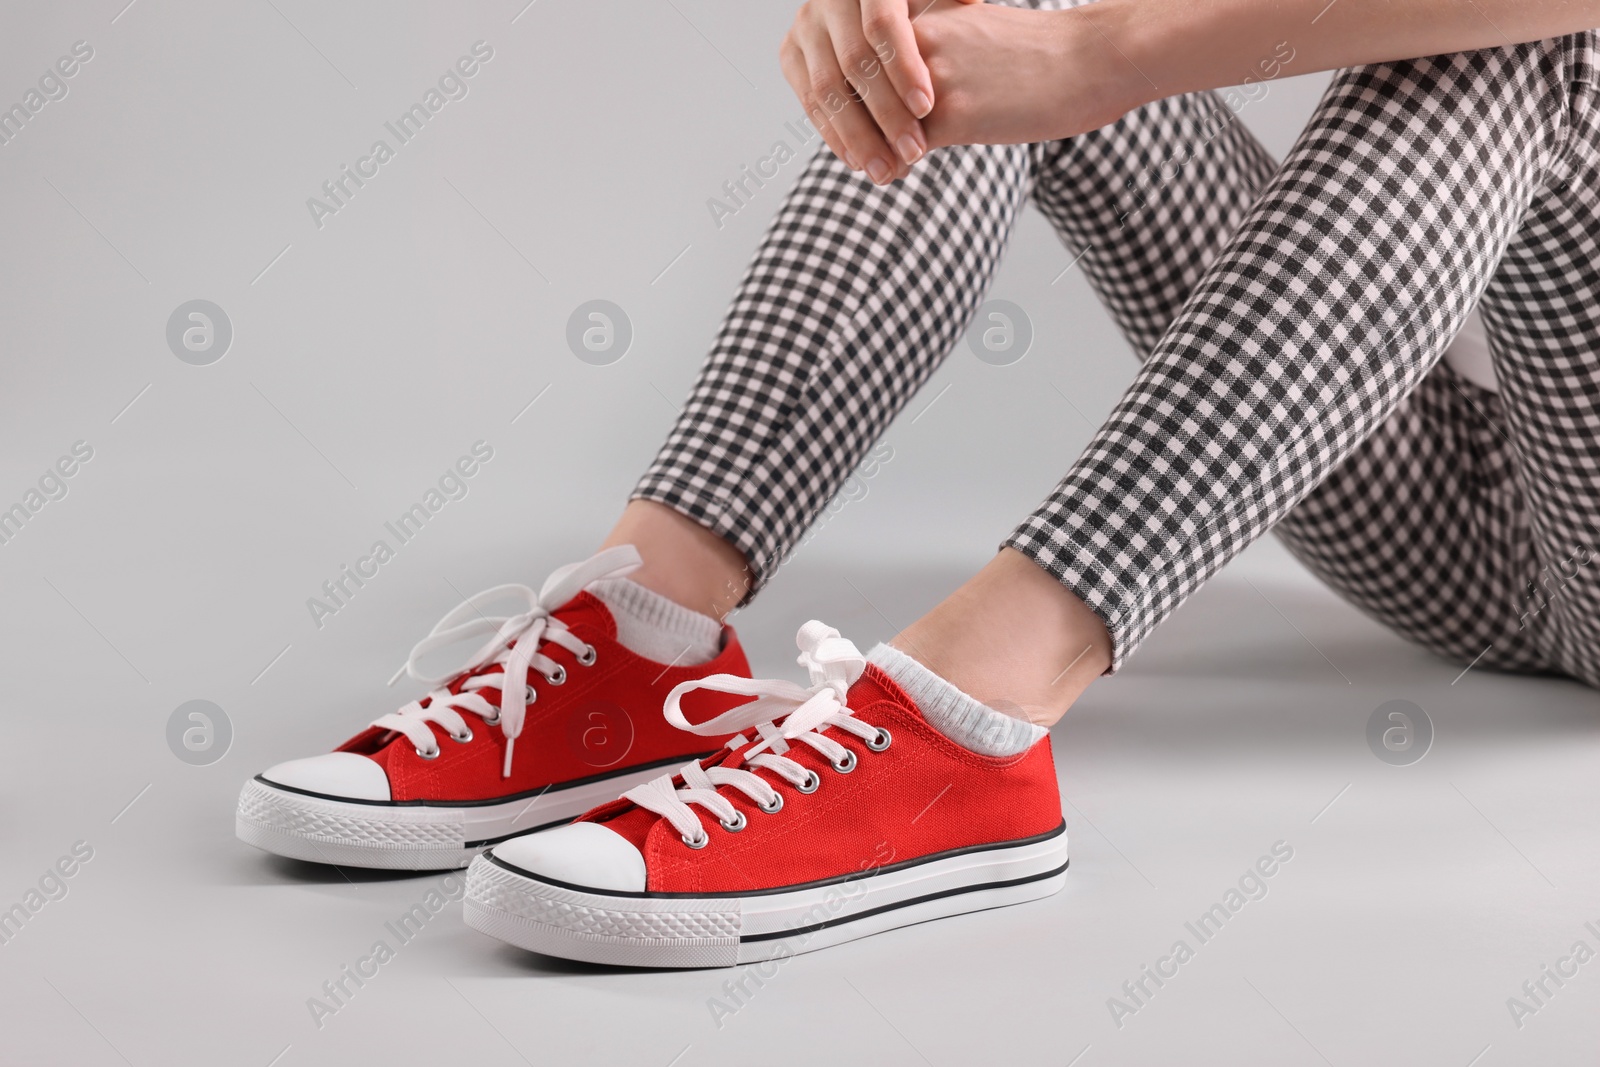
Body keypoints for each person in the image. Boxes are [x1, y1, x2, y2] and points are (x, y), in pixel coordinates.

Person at [240, 0, 1600, 966]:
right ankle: (645, 635)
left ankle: (972, 726)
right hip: (1432, 477)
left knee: (1538, 40)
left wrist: (1099, 51)